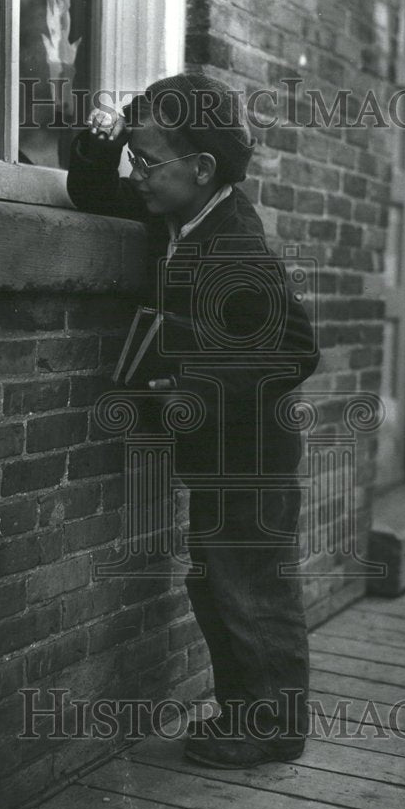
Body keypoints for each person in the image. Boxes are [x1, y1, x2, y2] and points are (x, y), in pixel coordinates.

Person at [67, 73, 320, 768]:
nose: (136, 176)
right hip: (221, 448)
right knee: (217, 580)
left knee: (251, 585)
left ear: (201, 169)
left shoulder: (236, 245)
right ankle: (245, 714)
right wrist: (103, 143)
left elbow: (295, 349)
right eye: (135, 159)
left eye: (147, 162)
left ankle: (273, 726)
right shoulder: (178, 210)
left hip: (253, 454)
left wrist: (182, 356)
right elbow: (92, 192)